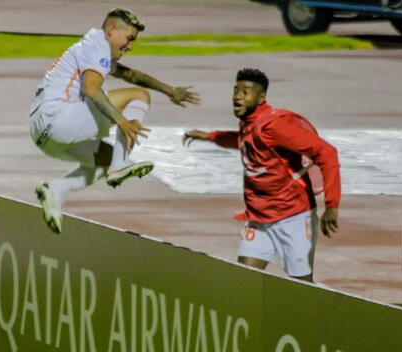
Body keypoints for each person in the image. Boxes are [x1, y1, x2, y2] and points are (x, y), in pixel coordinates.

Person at [30, 8, 200, 233]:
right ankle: (120, 165)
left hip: (42, 134)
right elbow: (91, 89)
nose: (130, 46)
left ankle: (55, 189)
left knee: (104, 160)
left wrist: (169, 90)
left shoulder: (92, 47)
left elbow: (131, 75)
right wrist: (121, 121)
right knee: (139, 96)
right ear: (111, 31)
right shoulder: (97, 45)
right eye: (129, 39)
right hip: (60, 120)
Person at [182, 68, 340, 282]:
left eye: (245, 92)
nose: (237, 96)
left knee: (301, 289)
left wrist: (332, 205)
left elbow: (326, 152)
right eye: (235, 90)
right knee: (245, 280)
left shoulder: (276, 126)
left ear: (261, 97)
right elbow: (244, 141)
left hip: (292, 216)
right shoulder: (250, 122)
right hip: (259, 217)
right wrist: (209, 136)